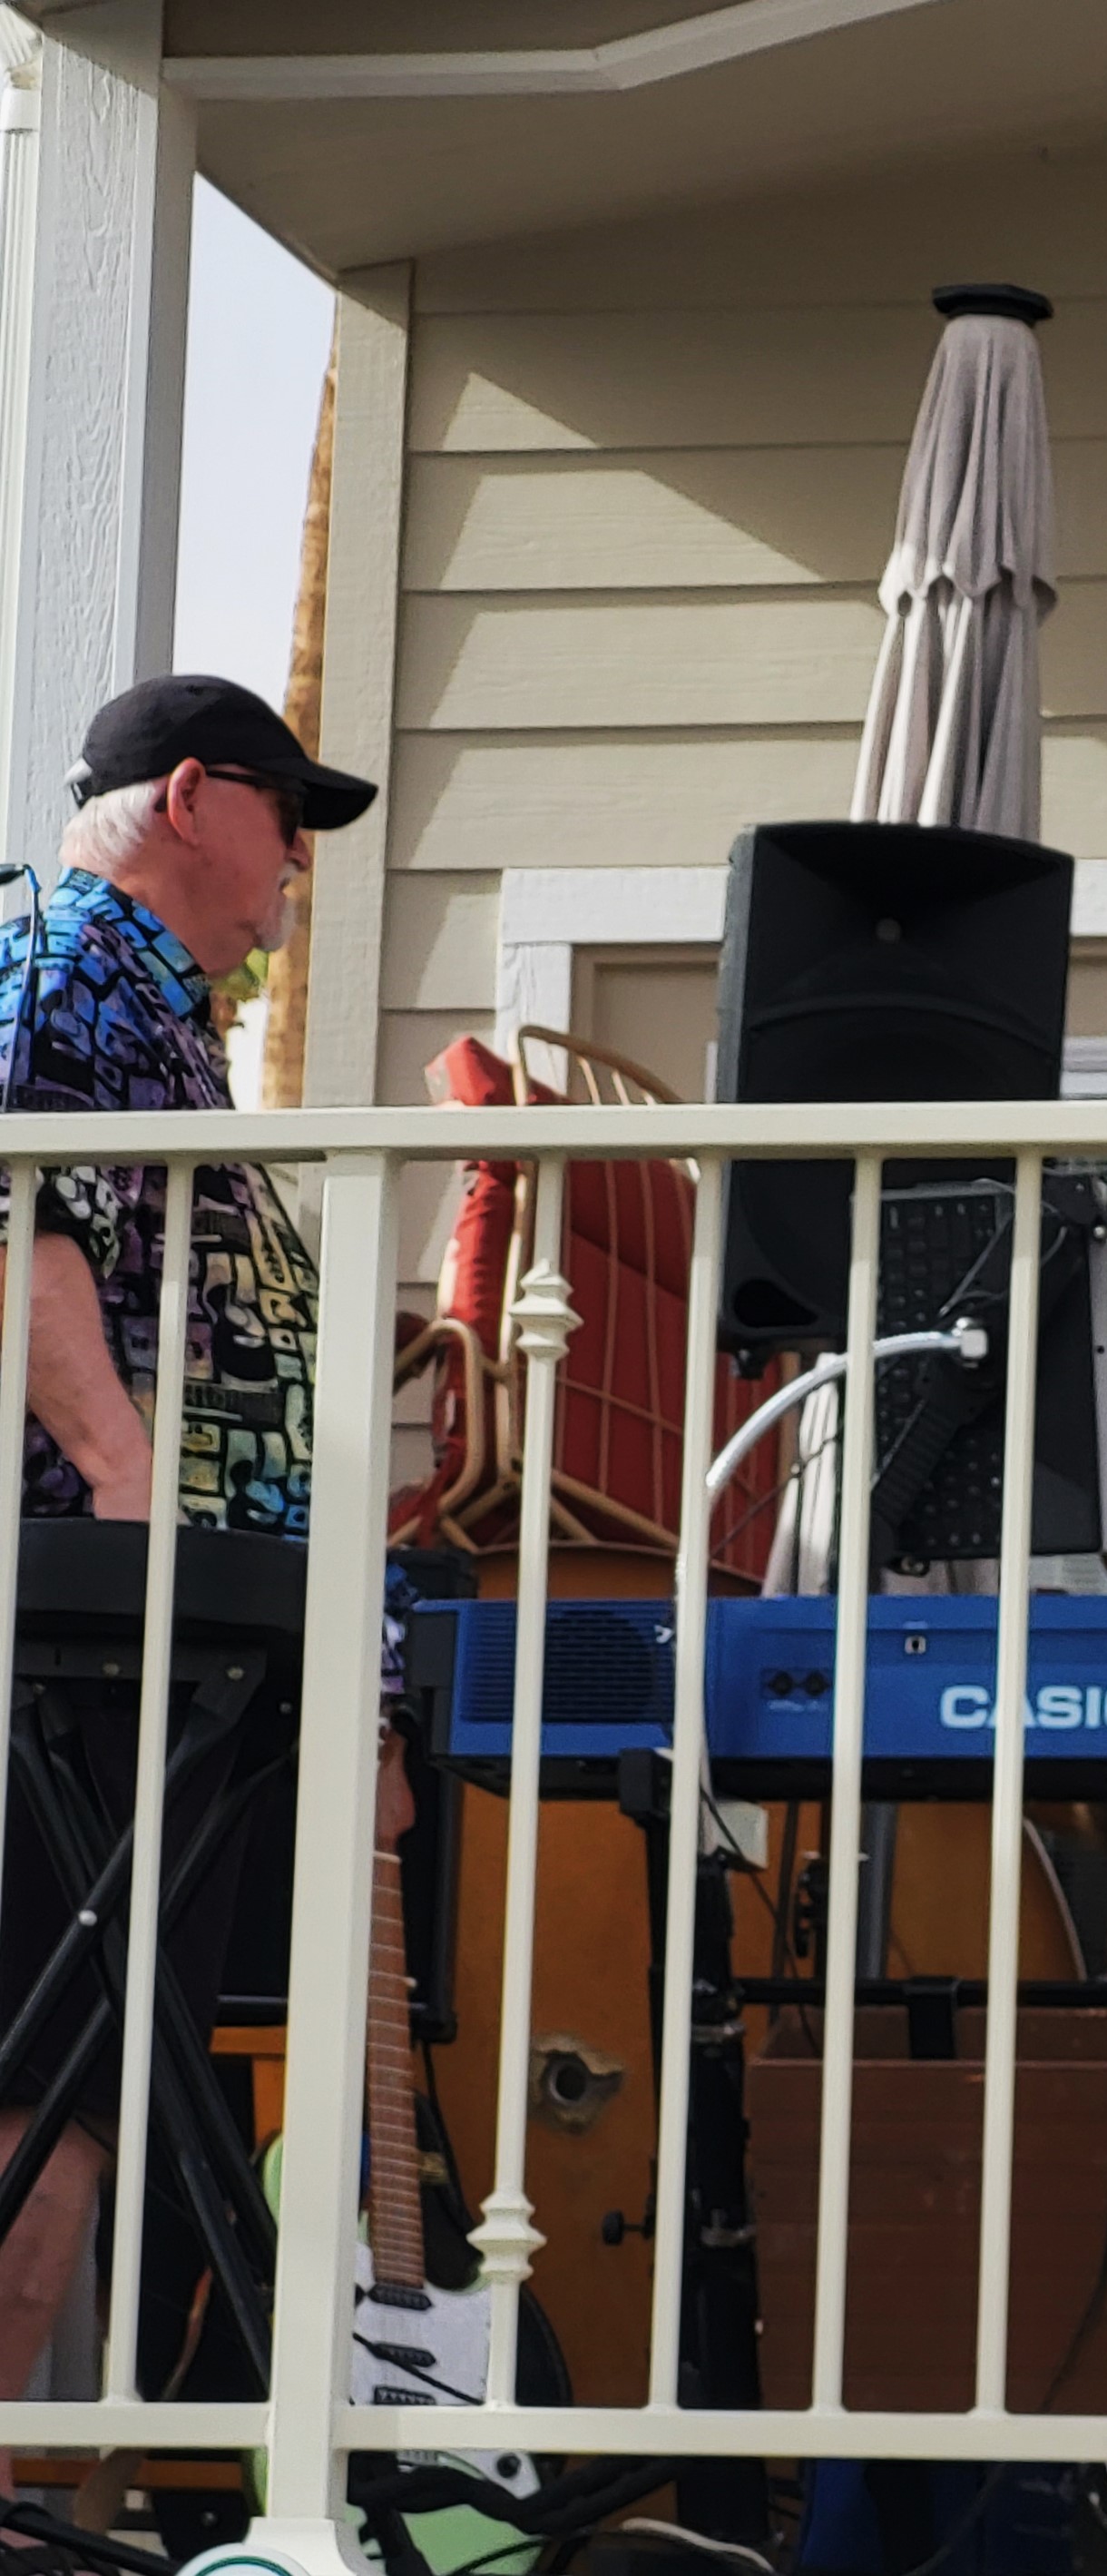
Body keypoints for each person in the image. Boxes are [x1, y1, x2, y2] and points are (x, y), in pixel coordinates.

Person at [0, 675, 376, 2407]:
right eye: (288, 817)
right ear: (192, 796)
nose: (296, 861)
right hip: (92, 1613)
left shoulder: (163, 1008)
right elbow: (19, 1214)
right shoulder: (66, 957)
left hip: (179, 1629)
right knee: (39, 2080)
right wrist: (123, 1474)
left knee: (77, 2091)